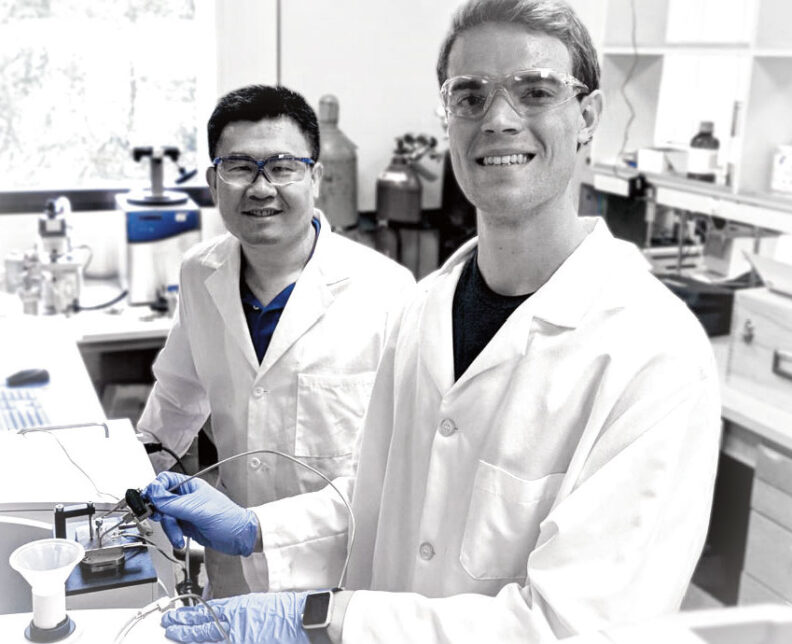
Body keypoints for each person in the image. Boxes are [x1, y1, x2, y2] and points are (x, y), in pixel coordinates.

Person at [143, 1, 721, 642]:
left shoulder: (653, 352)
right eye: (470, 96)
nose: (498, 119)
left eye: (535, 91)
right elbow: (383, 500)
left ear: (587, 117)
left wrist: (324, 620)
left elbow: (576, 626)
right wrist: (257, 530)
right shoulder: (424, 311)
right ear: (448, 119)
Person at [136, 84, 415, 598]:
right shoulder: (200, 273)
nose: (261, 188)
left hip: (340, 573)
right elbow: (176, 397)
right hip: (231, 569)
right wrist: (140, 480)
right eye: (239, 167)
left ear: (316, 178)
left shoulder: (388, 292)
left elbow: (401, 469)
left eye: (283, 167)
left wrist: (257, 531)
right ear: (213, 182)